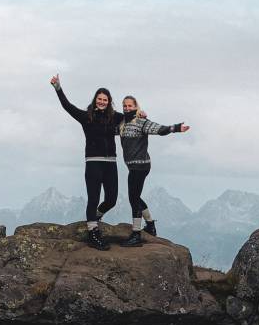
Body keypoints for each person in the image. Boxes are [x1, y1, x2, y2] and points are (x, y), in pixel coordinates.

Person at [50, 74, 119, 250]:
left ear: (109, 102)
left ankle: (95, 218)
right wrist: (58, 87)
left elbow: (131, 116)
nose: (102, 101)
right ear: (95, 99)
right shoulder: (86, 116)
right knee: (93, 198)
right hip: (93, 162)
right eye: (100, 99)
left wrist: (139, 113)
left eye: (105, 99)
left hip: (111, 163)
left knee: (111, 199)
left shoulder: (115, 117)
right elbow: (67, 106)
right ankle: (93, 233)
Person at [116, 95, 189, 247]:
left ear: (136, 107)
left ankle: (136, 234)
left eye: (130, 106)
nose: (127, 108)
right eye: (125, 106)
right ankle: (150, 225)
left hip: (141, 166)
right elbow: (109, 128)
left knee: (133, 198)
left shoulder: (141, 122)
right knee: (135, 196)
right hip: (133, 166)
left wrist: (175, 128)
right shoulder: (122, 123)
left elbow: (158, 129)